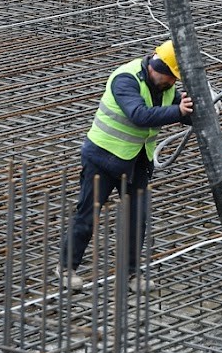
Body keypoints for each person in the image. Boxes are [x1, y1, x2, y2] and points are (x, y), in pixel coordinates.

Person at [59, 40, 194, 290]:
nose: (173, 83)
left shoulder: (165, 86)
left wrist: (203, 108)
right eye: (171, 77)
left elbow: (179, 108)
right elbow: (139, 115)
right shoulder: (126, 79)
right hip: (102, 158)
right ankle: (67, 268)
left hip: (136, 162)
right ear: (158, 68)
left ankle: (132, 275)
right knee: (88, 215)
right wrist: (180, 112)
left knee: (136, 219)